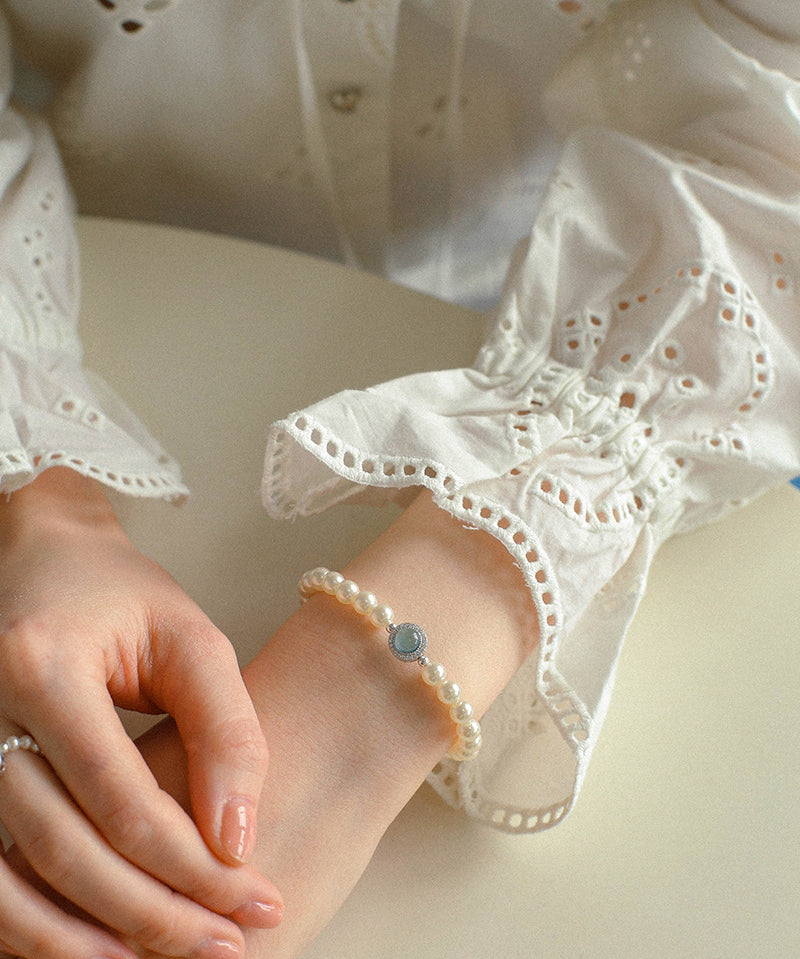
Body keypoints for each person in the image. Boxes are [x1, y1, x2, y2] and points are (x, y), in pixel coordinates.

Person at [0, 1, 798, 957]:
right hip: (80, 268)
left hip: (573, 298)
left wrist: (376, 680)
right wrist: (41, 502)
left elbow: (774, 135)